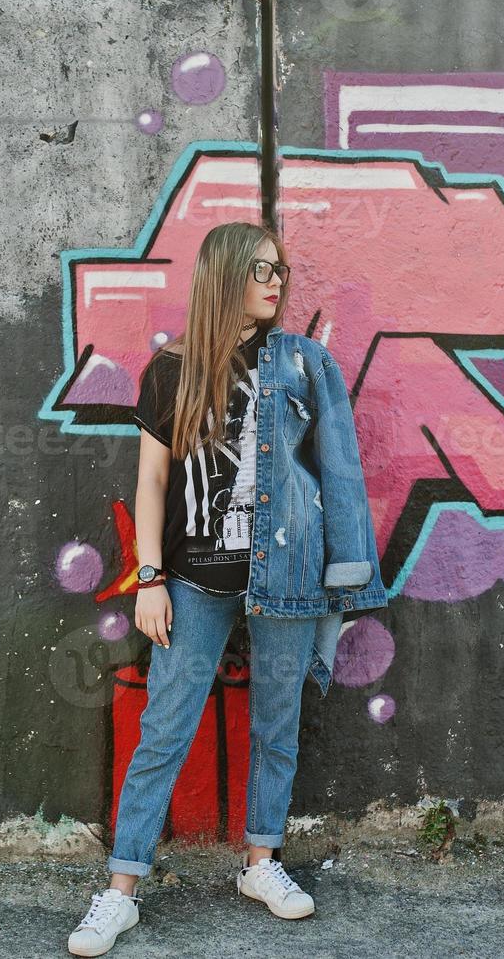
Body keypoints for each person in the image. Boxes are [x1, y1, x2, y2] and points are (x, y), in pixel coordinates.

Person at [68, 220, 384, 956]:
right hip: (191, 580)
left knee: (276, 724)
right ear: (223, 276)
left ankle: (261, 864)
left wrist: (344, 574)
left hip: (288, 574)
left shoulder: (306, 365)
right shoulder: (170, 371)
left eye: (279, 271)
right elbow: (150, 480)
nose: (275, 282)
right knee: (164, 728)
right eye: (259, 270)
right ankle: (120, 892)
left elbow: (339, 473)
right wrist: (148, 578)